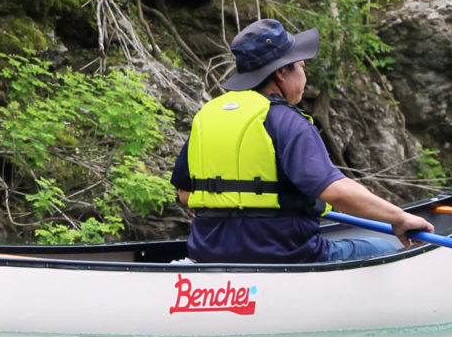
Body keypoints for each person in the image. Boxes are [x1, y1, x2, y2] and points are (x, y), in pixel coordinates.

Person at [174, 18, 434, 264]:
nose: (304, 67)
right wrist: (398, 217)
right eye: (299, 63)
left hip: (209, 256)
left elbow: (185, 195)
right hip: (286, 256)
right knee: (387, 248)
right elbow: (335, 191)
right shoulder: (286, 122)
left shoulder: (207, 117)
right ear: (280, 74)